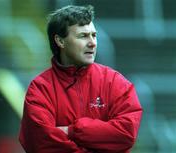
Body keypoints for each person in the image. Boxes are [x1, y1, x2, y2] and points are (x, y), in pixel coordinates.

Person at [19, 5, 143, 153]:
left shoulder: (116, 82)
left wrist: (72, 131)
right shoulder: (40, 88)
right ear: (60, 41)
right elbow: (39, 142)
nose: (92, 43)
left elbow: (126, 133)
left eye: (94, 35)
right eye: (83, 36)